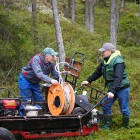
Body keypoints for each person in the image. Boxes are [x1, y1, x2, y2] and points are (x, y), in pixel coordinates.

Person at [82, 42, 130, 129]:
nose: (102, 53)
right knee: (104, 104)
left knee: (124, 108)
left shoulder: (118, 61)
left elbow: (118, 78)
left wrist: (112, 91)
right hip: (113, 88)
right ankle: (108, 125)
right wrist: (88, 80)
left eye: (104, 51)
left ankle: (125, 127)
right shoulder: (105, 61)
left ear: (109, 51)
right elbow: (97, 72)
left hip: (122, 88)